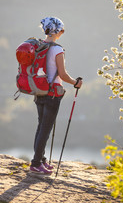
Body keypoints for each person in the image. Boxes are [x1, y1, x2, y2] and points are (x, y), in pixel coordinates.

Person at [29, 17, 83, 174]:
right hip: (52, 93)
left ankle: (41, 159)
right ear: (57, 31)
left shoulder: (38, 46)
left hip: (39, 90)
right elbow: (62, 74)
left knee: (41, 127)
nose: (62, 33)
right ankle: (36, 163)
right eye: (62, 30)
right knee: (45, 129)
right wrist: (75, 82)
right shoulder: (57, 49)